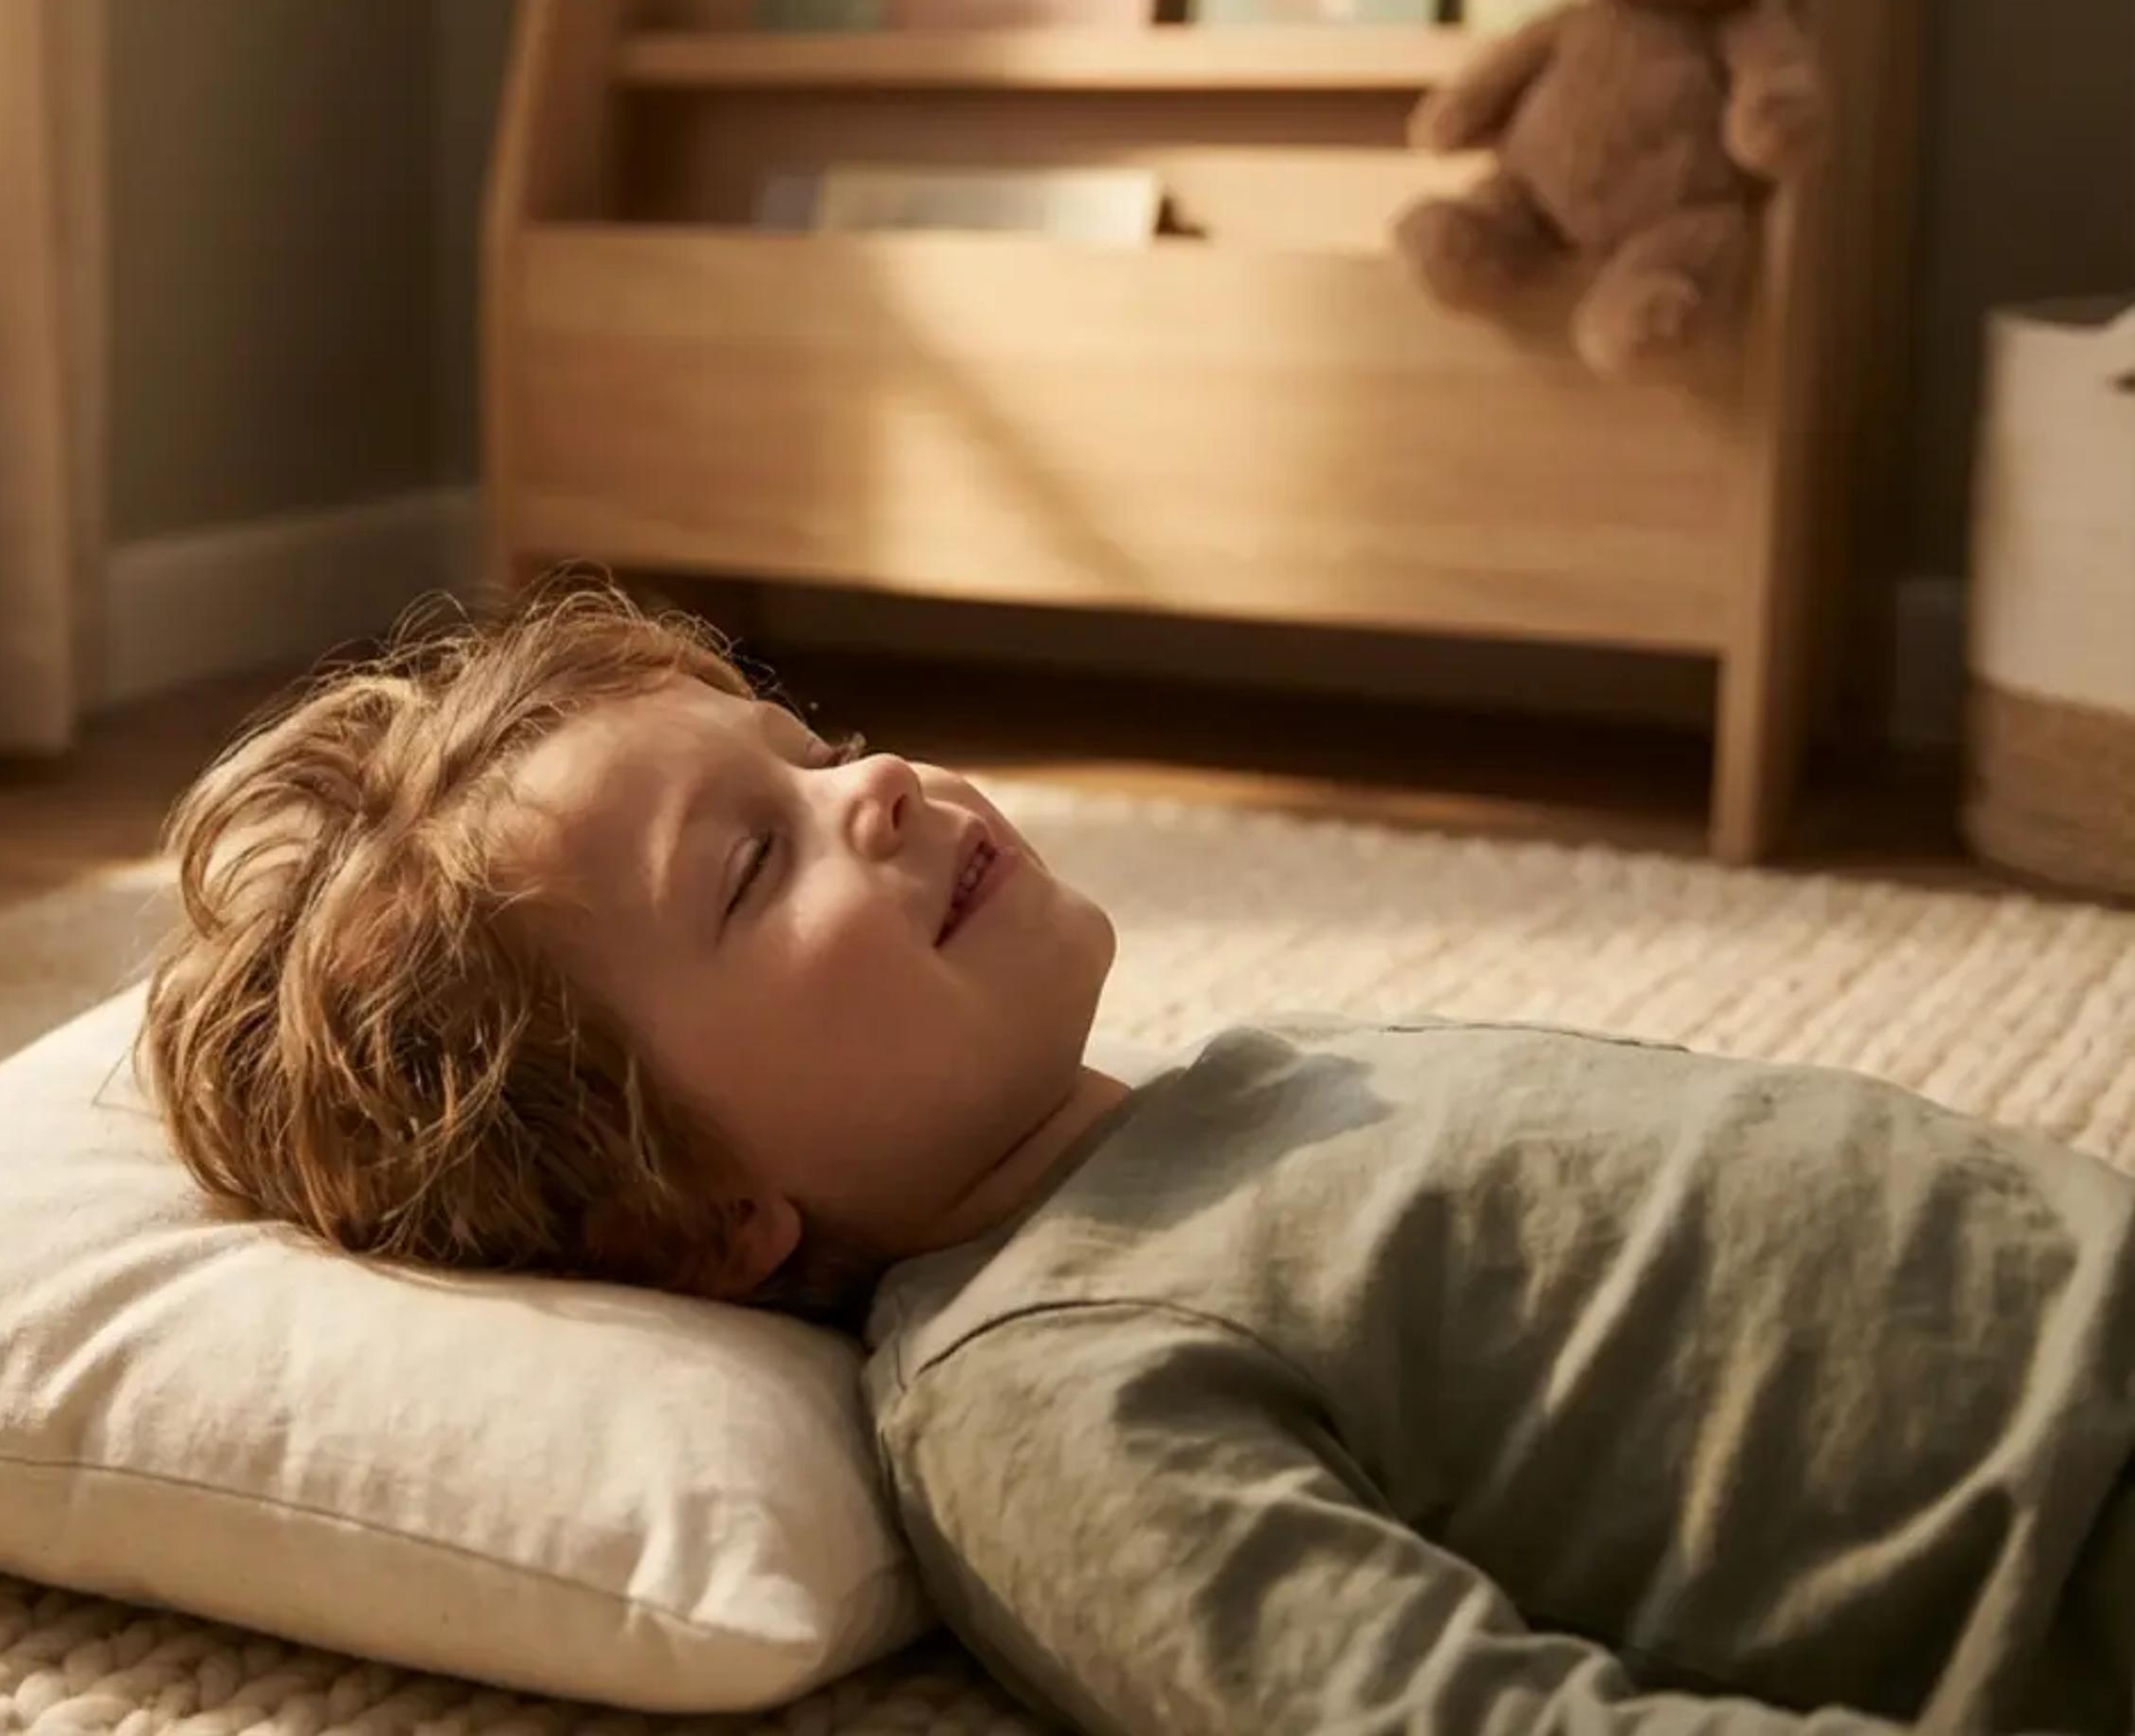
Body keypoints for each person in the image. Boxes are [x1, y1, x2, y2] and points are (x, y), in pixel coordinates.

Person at [134, 576, 2135, 1734]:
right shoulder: (1043, 1388)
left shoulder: (1230, 1092)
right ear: (696, 1221)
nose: (882, 785)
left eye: (809, 752)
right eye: (753, 861)